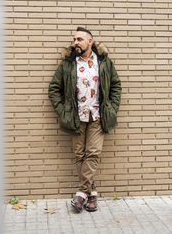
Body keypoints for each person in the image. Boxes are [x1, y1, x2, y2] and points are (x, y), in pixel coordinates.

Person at [48, 26, 121, 213]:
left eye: (79, 39)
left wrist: (111, 108)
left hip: (98, 115)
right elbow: (54, 89)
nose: (75, 43)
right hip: (75, 116)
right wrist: (63, 111)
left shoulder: (104, 62)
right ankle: (92, 194)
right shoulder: (68, 63)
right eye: (74, 39)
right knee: (80, 155)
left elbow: (115, 85)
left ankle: (81, 194)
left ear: (90, 41)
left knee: (93, 153)